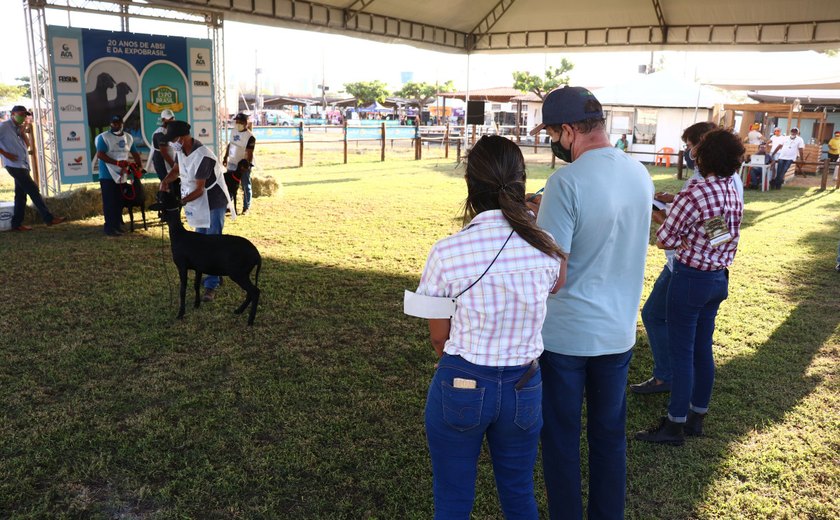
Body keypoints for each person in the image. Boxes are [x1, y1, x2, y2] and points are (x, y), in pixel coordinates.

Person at [415, 135, 566, 519]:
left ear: (470, 183)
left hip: (462, 380)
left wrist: (453, 365)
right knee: (519, 494)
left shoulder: (447, 250)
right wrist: (530, 216)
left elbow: (438, 334)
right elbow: (556, 283)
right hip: (525, 385)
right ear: (521, 182)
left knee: (452, 498)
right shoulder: (546, 245)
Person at [528, 86, 653, 520]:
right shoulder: (639, 172)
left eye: (552, 134)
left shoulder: (565, 181)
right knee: (609, 437)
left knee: (561, 439)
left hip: (566, 337)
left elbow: (553, 275)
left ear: (567, 132)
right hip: (618, 333)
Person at [635, 129, 744, 446]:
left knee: (681, 355)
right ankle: (697, 417)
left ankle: (673, 425)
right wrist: (693, 236)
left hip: (690, 278)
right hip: (717, 279)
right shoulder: (729, 190)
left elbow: (665, 240)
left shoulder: (694, 193)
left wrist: (681, 235)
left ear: (702, 156)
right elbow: (718, 235)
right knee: (701, 350)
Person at [160, 121, 233, 302]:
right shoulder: (181, 151)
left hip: (213, 201)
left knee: (212, 241)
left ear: (183, 138)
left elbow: (200, 189)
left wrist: (180, 202)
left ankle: (211, 286)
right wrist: (165, 181)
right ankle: (211, 274)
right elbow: (177, 170)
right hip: (198, 201)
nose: (171, 144)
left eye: (173, 140)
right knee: (199, 242)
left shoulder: (203, 156)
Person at [0, 105, 65, 231]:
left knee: (20, 195)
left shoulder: (17, 128)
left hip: (22, 164)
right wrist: (5, 154)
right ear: (13, 114)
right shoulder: (4, 126)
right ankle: (48, 218)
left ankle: (16, 224)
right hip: (14, 165)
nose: (23, 117)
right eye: (21, 114)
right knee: (33, 190)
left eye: (25, 115)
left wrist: (23, 132)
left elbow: (28, 145)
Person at [95, 115, 141, 236]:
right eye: (113, 123)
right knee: (109, 202)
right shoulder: (104, 137)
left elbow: (135, 153)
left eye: (118, 123)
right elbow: (100, 154)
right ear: (110, 124)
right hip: (107, 175)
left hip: (122, 175)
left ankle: (117, 225)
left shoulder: (128, 138)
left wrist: (138, 166)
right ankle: (109, 228)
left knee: (119, 202)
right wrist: (116, 163)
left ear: (122, 123)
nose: (116, 126)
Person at [223, 113, 256, 214]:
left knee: (245, 185)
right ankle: (229, 205)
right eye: (236, 122)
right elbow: (230, 144)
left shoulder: (250, 137)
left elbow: (249, 152)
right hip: (232, 162)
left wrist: (247, 165)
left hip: (243, 165)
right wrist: (225, 156)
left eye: (240, 122)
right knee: (229, 185)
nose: (238, 124)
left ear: (246, 123)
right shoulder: (233, 131)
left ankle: (246, 207)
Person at [147, 109, 178, 195]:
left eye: (172, 118)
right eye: (168, 118)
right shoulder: (159, 133)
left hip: (170, 162)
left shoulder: (171, 131)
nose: (171, 120)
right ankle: (167, 205)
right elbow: (164, 153)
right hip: (162, 163)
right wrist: (174, 166)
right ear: (163, 120)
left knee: (174, 187)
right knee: (168, 186)